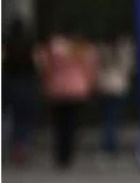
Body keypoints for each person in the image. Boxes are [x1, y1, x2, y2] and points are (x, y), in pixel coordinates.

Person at [38, 29, 96, 170]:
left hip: (57, 88)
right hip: (77, 89)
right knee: (72, 124)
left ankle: (60, 154)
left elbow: (46, 68)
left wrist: (46, 84)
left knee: (59, 125)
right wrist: (90, 85)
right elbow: (90, 69)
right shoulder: (83, 49)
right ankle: (68, 154)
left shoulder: (54, 47)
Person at [2, 18, 39, 167]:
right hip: (26, 84)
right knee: (24, 119)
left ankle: (11, 147)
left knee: (6, 117)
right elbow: (38, 64)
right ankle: (20, 148)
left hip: (9, 82)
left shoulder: (7, 45)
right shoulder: (30, 46)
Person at [96, 33, 136, 158]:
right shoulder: (124, 51)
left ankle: (108, 144)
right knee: (113, 118)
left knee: (108, 117)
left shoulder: (103, 50)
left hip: (106, 85)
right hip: (119, 86)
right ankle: (111, 144)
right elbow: (129, 67)